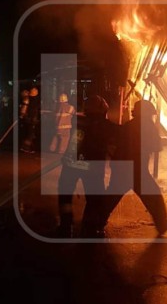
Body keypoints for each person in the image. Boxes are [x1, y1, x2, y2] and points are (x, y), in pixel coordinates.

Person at [99, 99, 167, 236]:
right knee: (153, 195)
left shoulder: (128, 125)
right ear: (148, 113)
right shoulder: (148, 126)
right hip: (136, 169)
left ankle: (95, 222)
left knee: (111, 197)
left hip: (121, 167)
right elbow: (156, 147)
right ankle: (162, 223)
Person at [54, 95, 116, 238]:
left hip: (73, 164)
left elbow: (75, 141)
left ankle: (65, 226)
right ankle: (89, 229)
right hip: (92, 167)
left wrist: (68, 158)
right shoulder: (107, 126)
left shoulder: (79, 121)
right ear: (103, 109)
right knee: (94, 198)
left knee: (65, 195)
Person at [20, 87, 41, 153]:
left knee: (30, 134)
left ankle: (29, 147)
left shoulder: (28, 99)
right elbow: (31, 110)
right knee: (30, 134)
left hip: (29, 120)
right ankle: (25, 148)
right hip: (31, 120)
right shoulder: (32, 100)